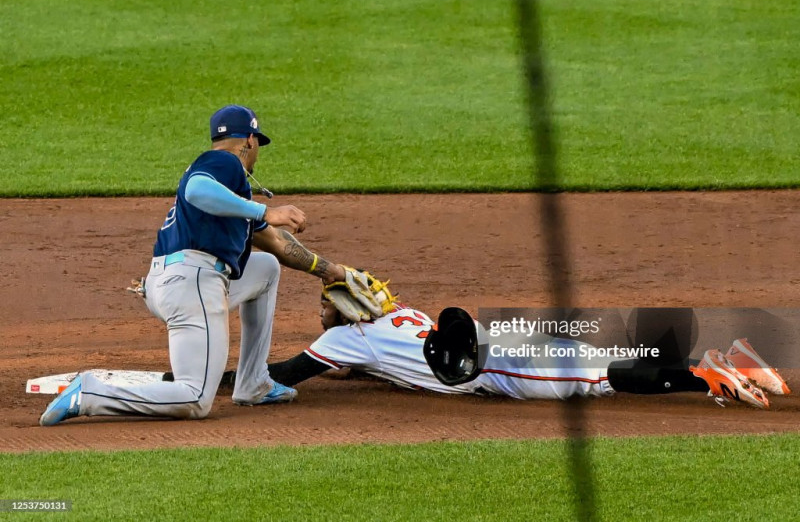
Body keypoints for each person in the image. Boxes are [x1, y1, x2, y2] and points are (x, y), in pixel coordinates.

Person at [40, 105, 354, 426]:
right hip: (193, 284)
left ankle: (254, 382)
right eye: (257, 142)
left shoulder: (232, 196)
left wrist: (333, 272)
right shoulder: (224, 163)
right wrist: (265, 211)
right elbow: (197, 190)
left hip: (172, 281)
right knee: (194, 397)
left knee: (265, 269)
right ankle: (91, 394)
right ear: (249, 139)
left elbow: (277, 244)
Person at [241, 296, 791, 409]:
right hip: (495, 336)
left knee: (597, 379)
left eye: (328, 307)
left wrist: (209, 377)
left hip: (493, 370)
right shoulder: (397, 311)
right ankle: (728, 356)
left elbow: (277, 375)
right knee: (596, 357)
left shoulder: (337, 341)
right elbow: (383, 362)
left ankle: (706, 375)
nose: (323, 314)